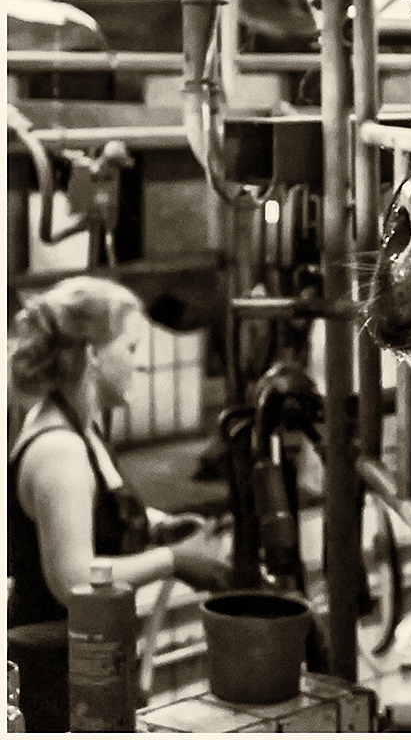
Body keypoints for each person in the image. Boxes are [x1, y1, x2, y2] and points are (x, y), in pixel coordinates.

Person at [7, 275, 233, 730]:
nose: (141, 366)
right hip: (56, 689)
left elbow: (94, 510)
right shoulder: (59, 451)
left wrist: (153, 525)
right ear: (92, 354)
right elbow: (72, 581)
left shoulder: (83, 430)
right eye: (130, 350)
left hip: (89, 670)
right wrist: (174, 560)